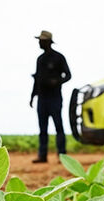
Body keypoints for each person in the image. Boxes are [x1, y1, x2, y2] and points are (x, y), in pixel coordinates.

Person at [30, 30, 71, 163]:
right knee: (42, 129)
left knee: (58, 126)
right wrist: (32, 96)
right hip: (42, 98)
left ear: (47, 42)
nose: (39, 43)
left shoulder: (58, 58)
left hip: (55, 98)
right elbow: (37, 79)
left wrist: (57, 82)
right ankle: (42, 155)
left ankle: (62, 156)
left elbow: (68, 75)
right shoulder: (40, 59)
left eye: (41, 41)